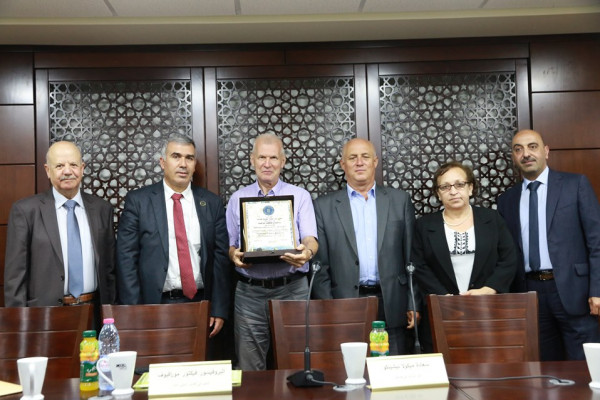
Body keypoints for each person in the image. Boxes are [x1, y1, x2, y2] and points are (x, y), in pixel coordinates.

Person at [497, 129, 600, 361]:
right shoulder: (506, 200)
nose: (526, 154)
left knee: (585, 366)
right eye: (518, 149)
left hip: (575, 292)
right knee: (543, 368)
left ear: (546, 151)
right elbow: (506, 253)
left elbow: (597, 241)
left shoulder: (575, 184)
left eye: (532, 147)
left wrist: (597, 290)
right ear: (514, 157)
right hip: (529, 294)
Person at [116, 134, 230, 339]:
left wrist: (219, 309)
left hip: (201, 304)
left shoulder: (211, 203)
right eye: (176, 156)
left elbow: (221, 259)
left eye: (189, 158)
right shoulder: (139, 201)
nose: (183, 164)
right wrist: (134, 310)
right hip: (155, 305)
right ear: (163, 162)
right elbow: (126, 259)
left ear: (194, 165)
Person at [312, 138, 417, 355]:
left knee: (391, 369)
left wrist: (412, 302)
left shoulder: (399, 201)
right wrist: (328, 307)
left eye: (365, 157)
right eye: (352, 158)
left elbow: (412, 258)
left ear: (375, 162)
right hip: (345, 302)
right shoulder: (323, 207)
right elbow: (320, 266)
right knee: (351, 368)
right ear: (343, 164)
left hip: (392, 302)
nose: (359, 162)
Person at [226, 132, 318, 371]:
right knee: (249, 367)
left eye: (273, 158)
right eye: (262, 157)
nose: (267, 164)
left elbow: (310, 238)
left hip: (293, 289)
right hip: (250, 293)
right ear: (252, 160)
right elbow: (232, 245)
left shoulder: (300, 196)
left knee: (298, 364)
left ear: (283, 161)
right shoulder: (237, 199)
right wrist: (234, 255)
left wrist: (307, 253)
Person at [4, 141, 116, 311]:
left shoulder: (102, 209)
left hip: (94, 311)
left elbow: (110, 269)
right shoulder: (26, 211)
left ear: (82, 168)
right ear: (48, 170)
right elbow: (15, 277)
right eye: (59, 166)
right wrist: (18, 319)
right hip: (44, 313)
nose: (67, 171)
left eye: (73, 165)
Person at [412, 161, 517, 297]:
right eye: (445, 187)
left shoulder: (492, 219)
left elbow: (509, 258)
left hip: (487, 301)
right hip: (442, 303)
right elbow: (420, 266)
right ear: (438, 193)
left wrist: (489, 289)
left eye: (460, 185)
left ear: (470, 188)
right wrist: (442, 296)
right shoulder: (424, 225)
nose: (453, 192)